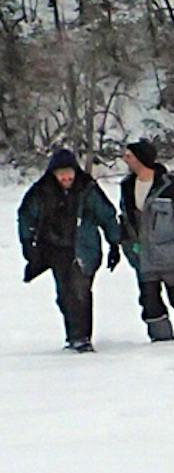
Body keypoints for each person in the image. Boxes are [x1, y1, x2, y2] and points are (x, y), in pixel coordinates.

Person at [16, 148, 122, 353]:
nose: (66, 177)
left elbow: (106, 215)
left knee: (80, 292)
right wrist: (28, 244)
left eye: (69, 172)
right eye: (61, 173)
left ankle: (82, 337)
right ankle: (73, 335)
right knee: (64, 294)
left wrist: (114, 243)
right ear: (53, 174)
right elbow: (26, 216)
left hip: (85, 249)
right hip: (56, 250)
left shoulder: (87, 189)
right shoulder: (41, 191)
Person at [118, 139, 174, 342]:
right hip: (143, 257)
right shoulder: (126, 186)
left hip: (173, 257)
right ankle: (162, 344)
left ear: (141, 158)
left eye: (129, 155)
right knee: (149, 303)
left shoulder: (170, 186)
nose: (125, 159)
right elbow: (125, 220)